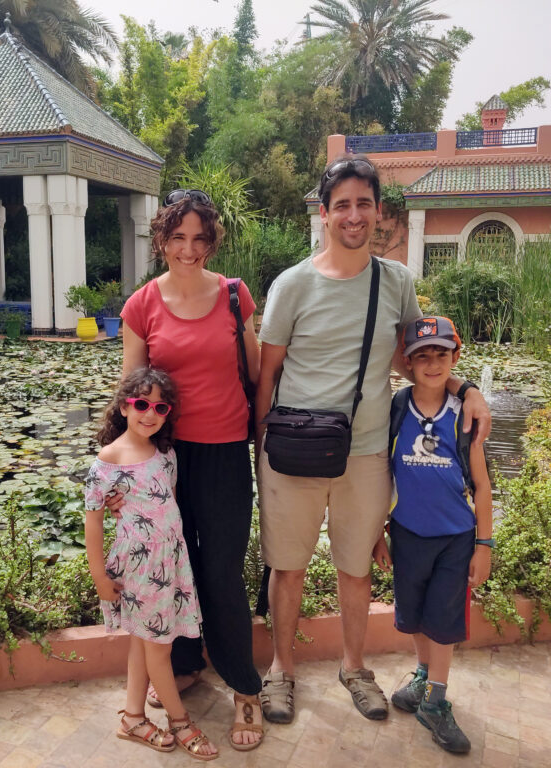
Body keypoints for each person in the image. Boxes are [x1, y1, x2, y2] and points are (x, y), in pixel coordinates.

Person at [254, 155, 492, 725]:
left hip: (364, 451)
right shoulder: (293, 284)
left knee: (355, 567)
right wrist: (260, 449)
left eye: (364, 203)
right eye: (342, 205)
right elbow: (267, 373)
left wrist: (464, 387)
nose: (354, 215)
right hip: (293, 451)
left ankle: (355, 667)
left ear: (379, 211)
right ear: (325, 213)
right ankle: (281, 669)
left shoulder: (396, 282)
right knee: (288, 567)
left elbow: (416, 359)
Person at [118, 188, 264, 751]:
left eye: (199, 238)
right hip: (166, 460)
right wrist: (121, 468)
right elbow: (132, 391)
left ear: (212, 241)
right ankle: (184, 663)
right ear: (162, 239)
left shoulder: (233, 296)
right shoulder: (141, 305)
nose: (188, 248)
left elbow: (257, 373)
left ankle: (244, 684)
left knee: (221, 570)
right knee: (172, 569)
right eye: (178, 237)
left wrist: (267, 438)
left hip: (225, 452)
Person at [84, 366, 219, 761]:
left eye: (161, 407)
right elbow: (92, 521)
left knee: (144, 642)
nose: (150, 413)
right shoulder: (108, 460)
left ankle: (132, 717)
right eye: (141, 404)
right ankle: (180, 722)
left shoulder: (165, 454)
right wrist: (99, 577)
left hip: (169, 561)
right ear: (124, 407)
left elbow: (166, 504)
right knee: (159, 648)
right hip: (140, 567)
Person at [376, 315, 493, 754]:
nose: (432, 363)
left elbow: (482, 486)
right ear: (406, 362)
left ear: (455, 357)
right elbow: (381, 476)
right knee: (413, 615)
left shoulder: (464, 416)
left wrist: (484, 545)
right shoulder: (395, 409)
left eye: (440, 354)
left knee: (443, 621)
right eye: (421, 355)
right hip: (407, 533)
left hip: (455, 539)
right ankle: (424, 676)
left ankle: (436, 701)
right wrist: (378, 533)